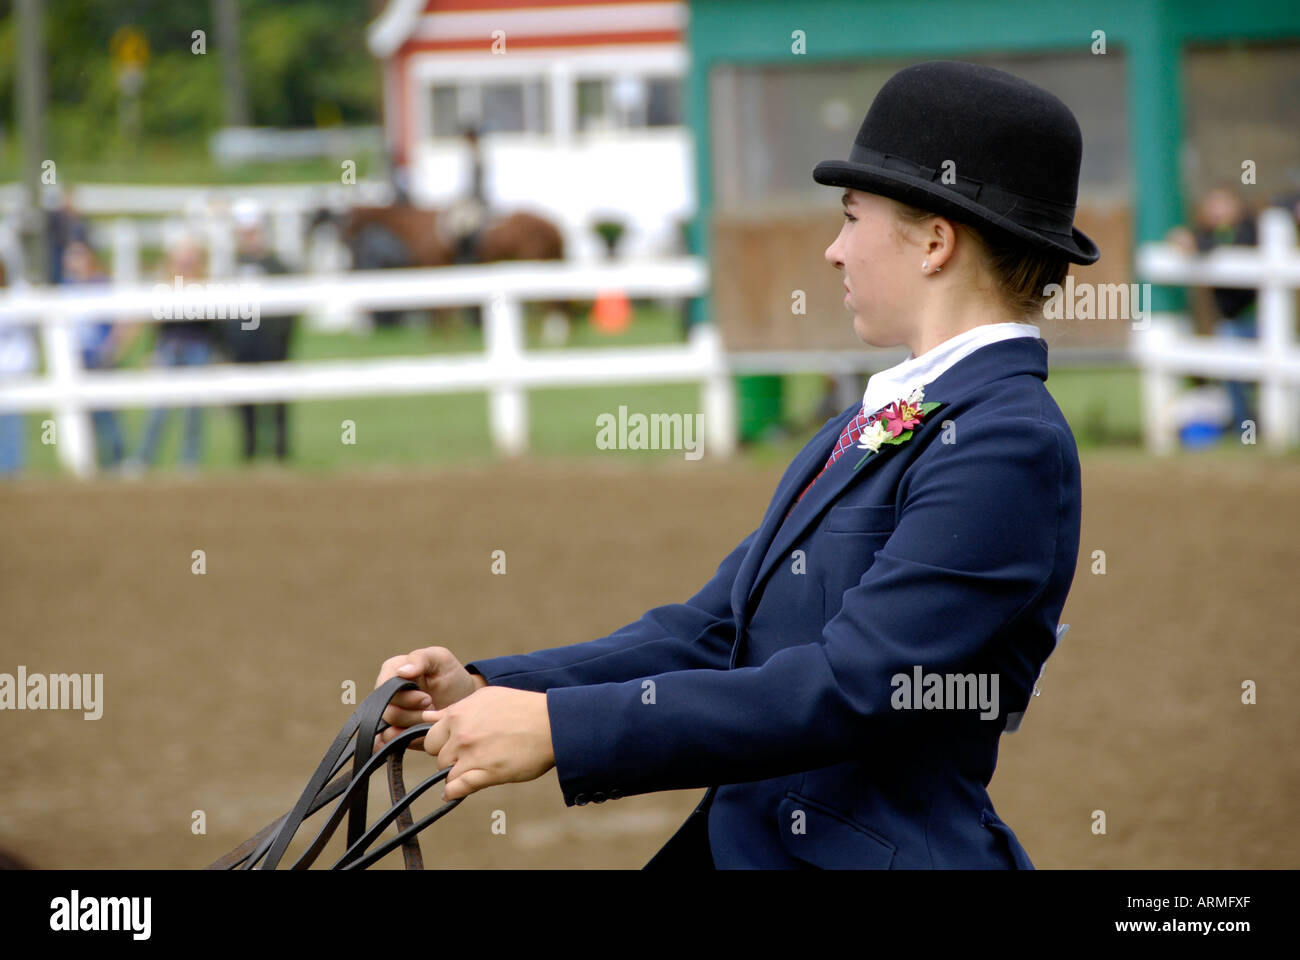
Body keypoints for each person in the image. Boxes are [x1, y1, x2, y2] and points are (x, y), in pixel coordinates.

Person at [373, 61, 1096, 869]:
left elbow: (856, 685)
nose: (834, 250)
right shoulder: (885, 416)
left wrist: (561, 733)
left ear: (935, 242)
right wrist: (495, 687)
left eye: (853, 218)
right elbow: (717, 631)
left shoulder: (1006, 442)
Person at [130, 234, 217, 471]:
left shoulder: (207, 288)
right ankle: (143, 459)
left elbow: (214, 327)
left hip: (197, 349)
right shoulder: (164, 289)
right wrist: (151, 352)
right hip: (169, 348)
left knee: (193, 410)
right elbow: (156, 326)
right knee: (158, 409)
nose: (184, 266)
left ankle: (189, 461)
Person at [224, 198, 294, 464]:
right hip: (243, 342)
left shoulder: (277, 266)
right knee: (245, 399)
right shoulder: (233, 266)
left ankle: (280, 451)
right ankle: (249, 450)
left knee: (277, 397)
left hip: (272, 340)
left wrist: (282, 336)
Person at [61, 240, 126, 468]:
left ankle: (117, 462)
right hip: (76, 357)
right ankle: (88, 465)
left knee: (107, 416)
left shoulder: (102, 283)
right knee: (79, 418)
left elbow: (121, 319)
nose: (73, 261)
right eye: (71, 255)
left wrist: (112, 347)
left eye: (79, 255)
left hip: (99, 356)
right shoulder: (65, 287)